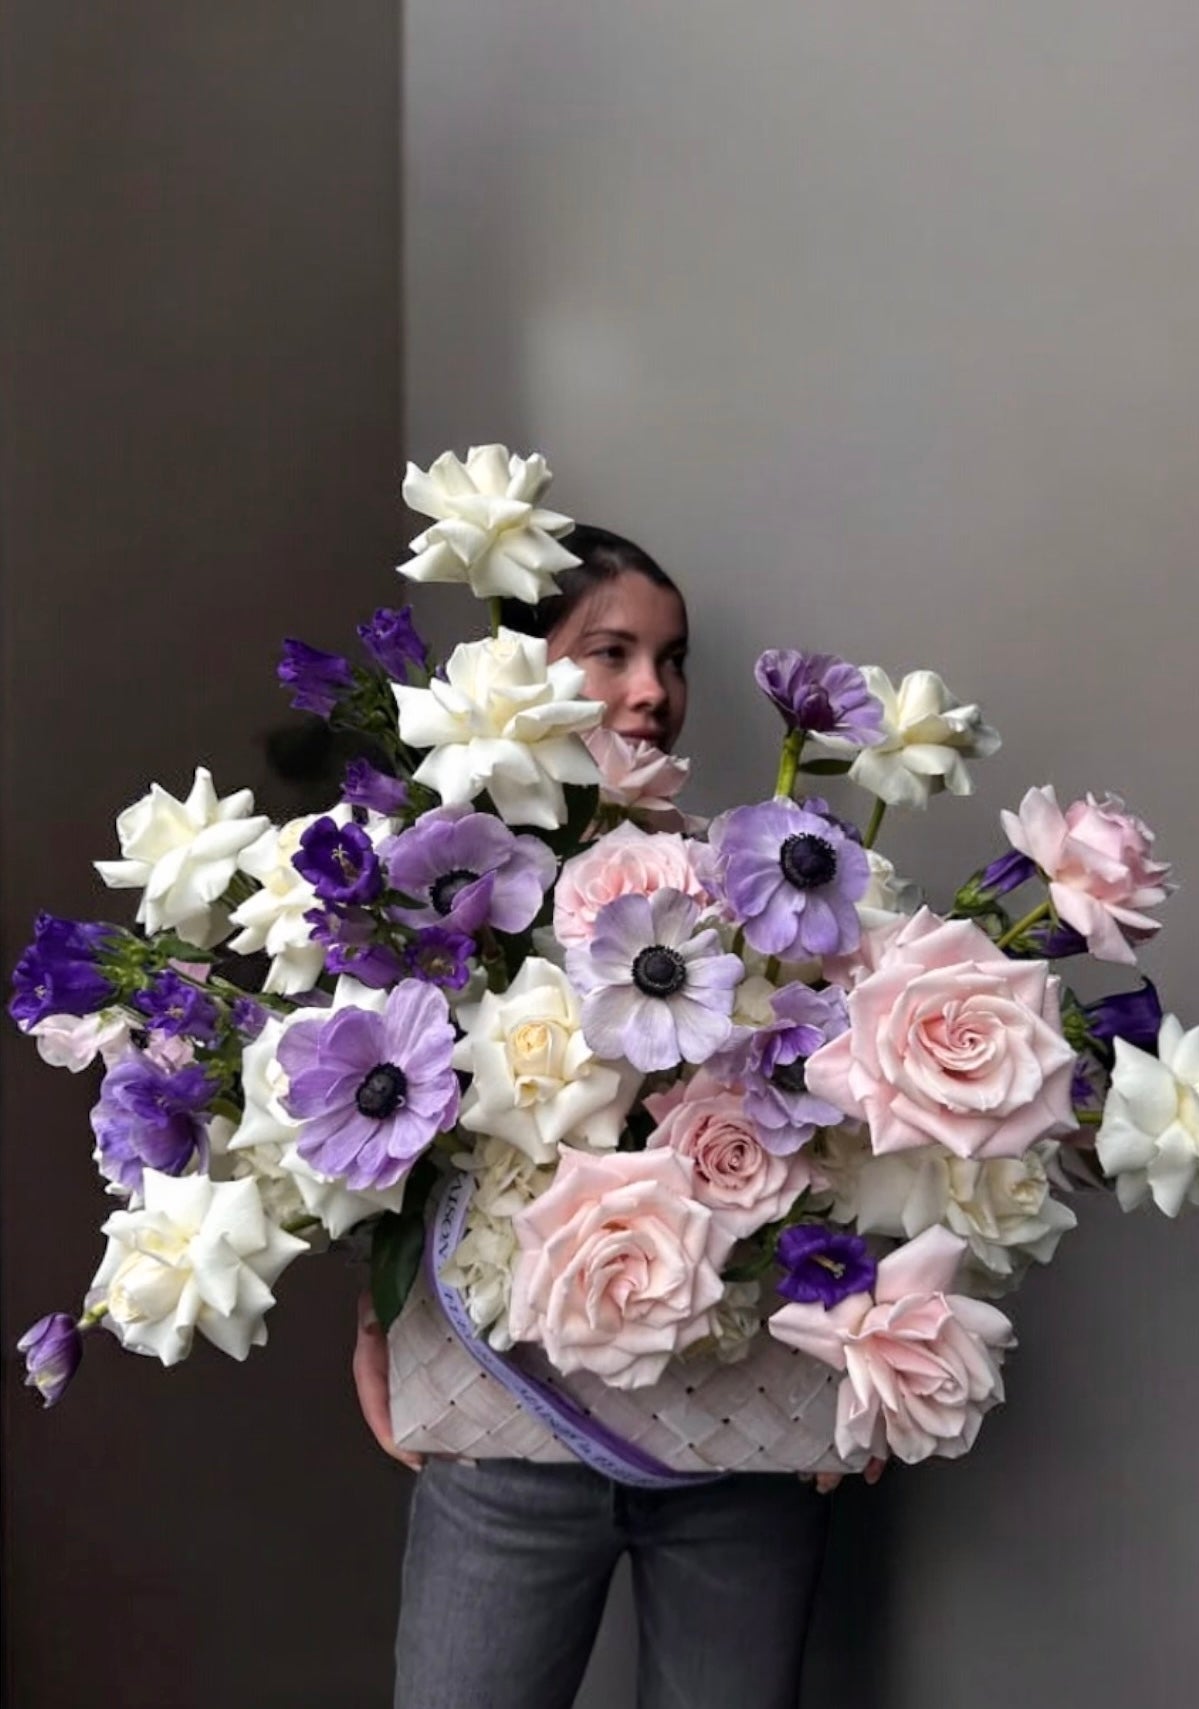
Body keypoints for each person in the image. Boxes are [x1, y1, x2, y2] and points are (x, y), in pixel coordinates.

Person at [354, 525, 880, 1709]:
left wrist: (883, 1351)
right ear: (522, 665)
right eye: (610, 651)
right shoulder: (440, 886)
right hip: (509, 1427)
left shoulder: (762, 882)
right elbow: (382, 1134)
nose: (653, 691)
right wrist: (377, 1313)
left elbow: (855, 1138)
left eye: (671, 657)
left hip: (734, 1437)